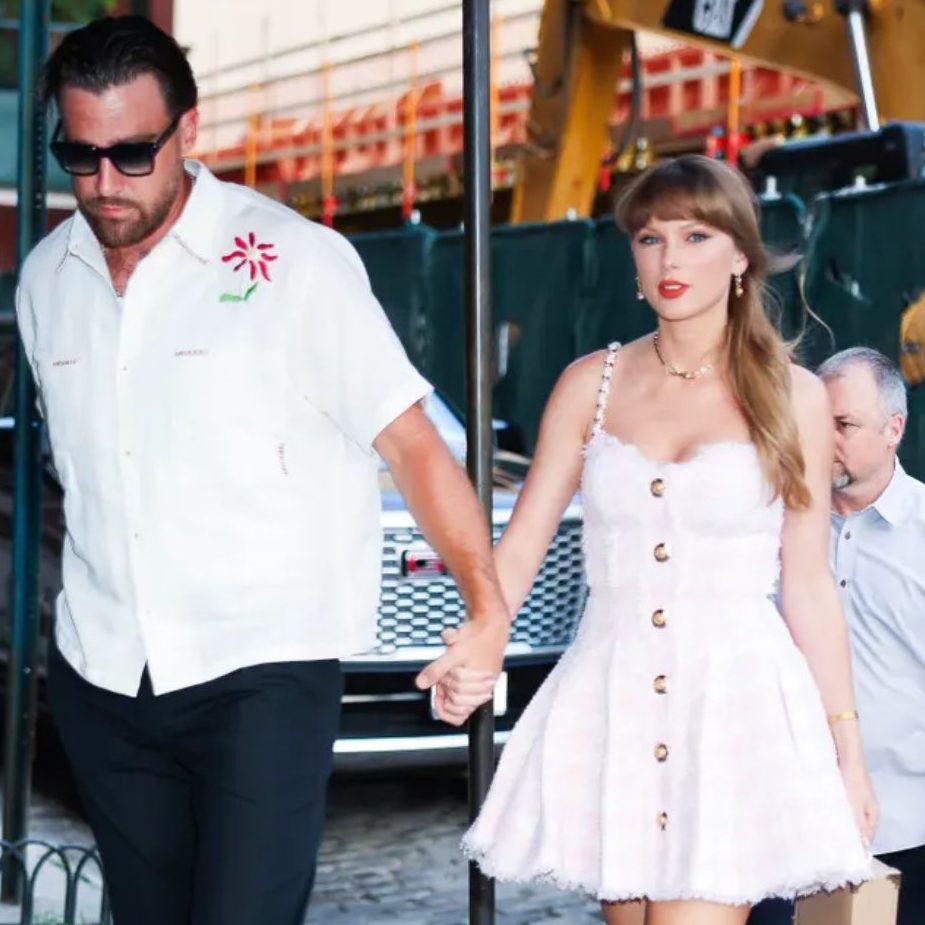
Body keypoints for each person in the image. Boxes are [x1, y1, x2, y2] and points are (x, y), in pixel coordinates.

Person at [18, 16, 503, 925]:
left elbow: (411, 442)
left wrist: (485, 608)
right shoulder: (46, 278)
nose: (105, 182)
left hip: (260, 671)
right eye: (78, 156)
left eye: (131, 152)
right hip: (106, 672)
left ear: (187, 132)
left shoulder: (294, 262)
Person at [460, 155, 877, 925]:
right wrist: (480, 639)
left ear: (740, 257)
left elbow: (809, 585)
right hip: (613, 697)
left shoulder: (796, 397)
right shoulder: (590, 384)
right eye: (650, 239)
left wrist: (845, 752)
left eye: (694, 235)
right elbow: (520, 547)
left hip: (733, 706)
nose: (670, 258)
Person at [818, 347, 925, 925]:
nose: (823, 438)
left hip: (910, 830)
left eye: (843, 424)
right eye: (815, 422)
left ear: (894, 431)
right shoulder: (773, 531)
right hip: (788, 826)